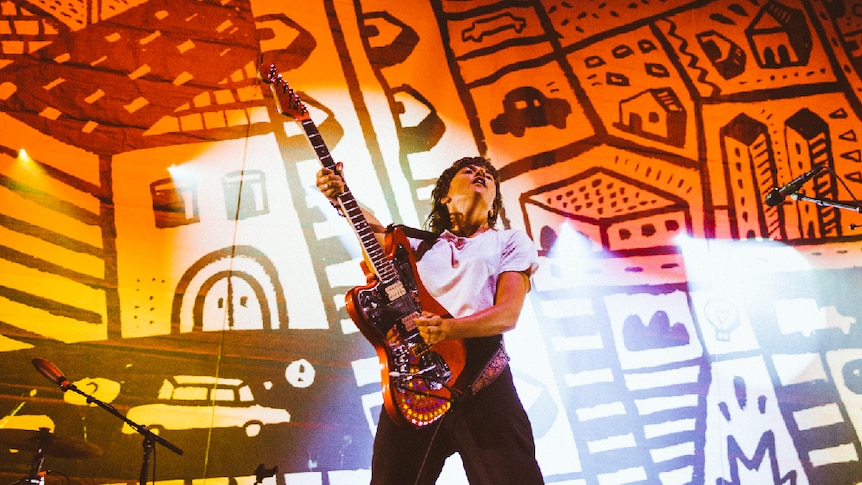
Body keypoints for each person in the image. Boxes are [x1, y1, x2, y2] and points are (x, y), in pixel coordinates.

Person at [317, 156, 543, 484]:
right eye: (468, 171)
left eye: (488, 176)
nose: (480, 174)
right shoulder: (418, 246)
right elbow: (375, 231)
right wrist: (340, 195)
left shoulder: (509, 242)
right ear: (445, 197)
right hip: (416, 383)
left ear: (493, 203)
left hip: (484, 384)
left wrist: (448, 329)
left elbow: (508, 313)